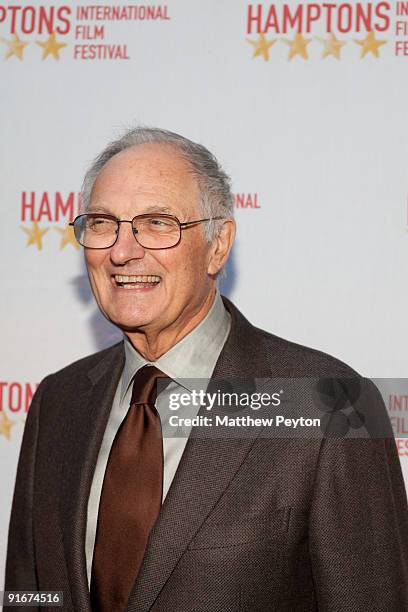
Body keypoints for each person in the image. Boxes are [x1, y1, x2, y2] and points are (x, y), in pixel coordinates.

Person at [5, 127, 408, 612]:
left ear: (219, 246)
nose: (122, 250)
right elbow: (31, 595)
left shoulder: (327, 403)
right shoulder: (59, 400)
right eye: (102, 223)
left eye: (157, 223)